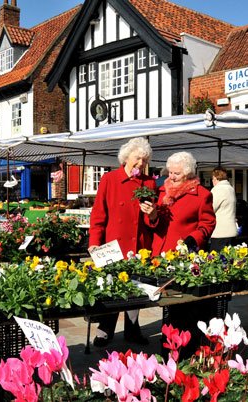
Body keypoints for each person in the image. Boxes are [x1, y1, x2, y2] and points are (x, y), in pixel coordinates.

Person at [88, 137, 157, 348]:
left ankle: (133, 330)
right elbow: (98, 215)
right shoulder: (110, 179)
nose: (141, 164)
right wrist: (94, 242)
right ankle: (105, 329)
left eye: (144, 160)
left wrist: (153, 214)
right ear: (126, 157)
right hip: (113, 246)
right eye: (138, 158)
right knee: (112, 288)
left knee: (134, 290)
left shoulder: (149, 182)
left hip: (138, 246)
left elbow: (152, 222)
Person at [143, 151, 216, 255]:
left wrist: (193, 239)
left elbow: (208, 224)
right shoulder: (161, 191)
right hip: (158, 252)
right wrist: (152, 217)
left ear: (188, 174)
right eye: (170, 172)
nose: (172, 177)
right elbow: (152, 221)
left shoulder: (202, 195)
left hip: (182, 253)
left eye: (177, 174)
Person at [210, 168, 237, 251]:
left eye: (212, 179)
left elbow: (210, 209)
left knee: (216, 261)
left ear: (216, 178)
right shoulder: (230, 189)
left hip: (220, 232)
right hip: (231, 230)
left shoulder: (217, 190)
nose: (212, 181)